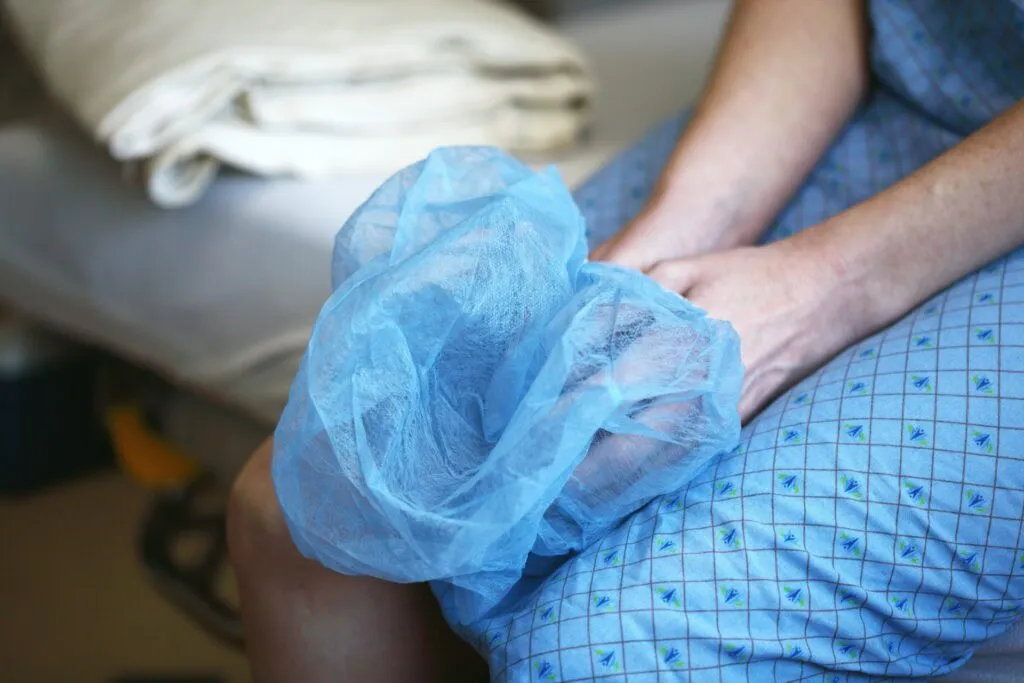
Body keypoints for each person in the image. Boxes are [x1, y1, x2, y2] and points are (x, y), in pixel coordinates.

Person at [227, 1, 1024, 681]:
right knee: (308, 507)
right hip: (858, 96)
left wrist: (823, 291)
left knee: (597, 652)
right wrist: (682, 232)